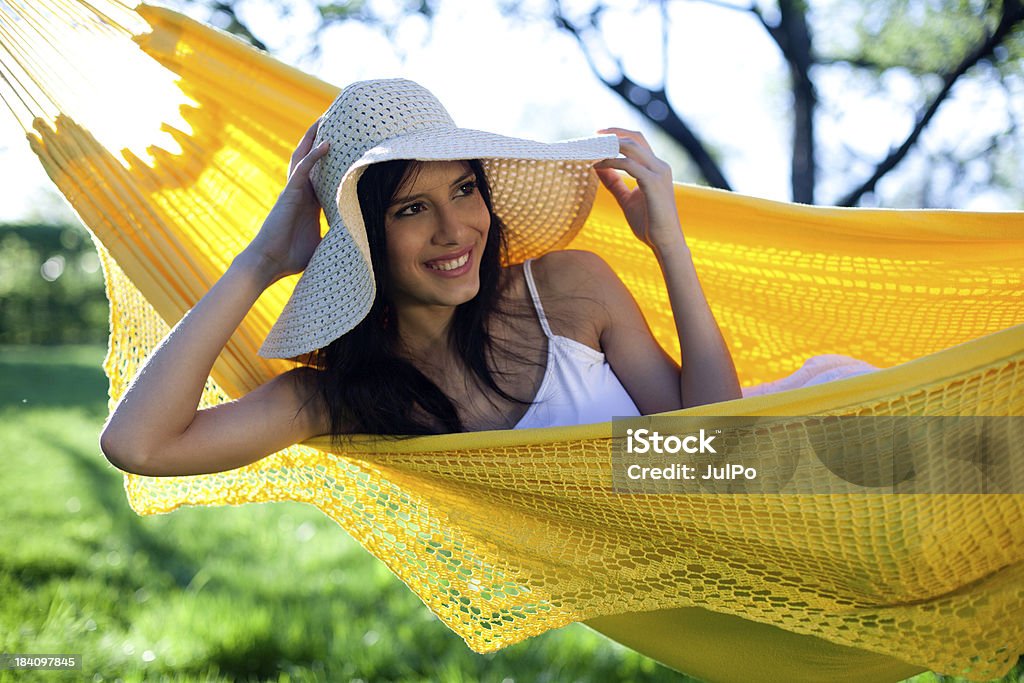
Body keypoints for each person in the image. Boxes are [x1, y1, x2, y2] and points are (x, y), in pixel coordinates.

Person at [99, 78, 742, 478]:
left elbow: (724, 453)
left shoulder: (570, 289)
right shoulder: (345, 398)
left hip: (779, 493)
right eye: (411, 208)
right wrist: (261, 263)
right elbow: (141, 447)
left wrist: (668, 245)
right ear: (365, 240)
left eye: (464, 190)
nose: (455, 229)